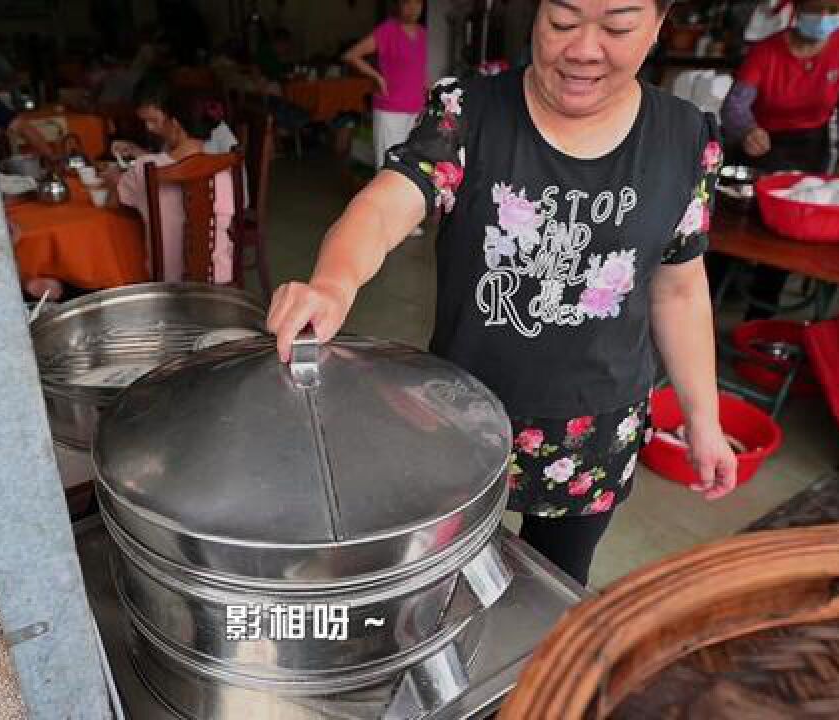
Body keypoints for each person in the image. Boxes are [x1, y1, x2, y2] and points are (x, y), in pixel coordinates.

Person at [267, 0, 738, 587]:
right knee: (441, 585)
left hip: (596, 434)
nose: (583, 49)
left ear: (659, 25)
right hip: (463, 419)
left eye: (617, 26)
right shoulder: (468, 113)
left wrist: (704, 419)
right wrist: (333, 284)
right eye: (562, 21)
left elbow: (680, 289)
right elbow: (388, 203)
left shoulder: (686, 137)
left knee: (555, 591)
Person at [718, 0, 839, 318]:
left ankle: (757, 324)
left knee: (785, 244)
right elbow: (735, 105)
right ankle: (710, 302)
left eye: (834, 12)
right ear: (798, 12)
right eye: (819, 11)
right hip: (759, 146)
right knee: (733, 236)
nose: (826, 19)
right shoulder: (766, 51)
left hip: (808, 150)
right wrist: (747, 130)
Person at [104, 82, 236, 284]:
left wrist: (114, 180)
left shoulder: (145, 168)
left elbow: (114, 204)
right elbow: (226, 222)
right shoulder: (223, 169)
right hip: (220, 279)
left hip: (169, 284)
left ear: (174, 124)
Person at [343, 0, 428, 172]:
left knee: (411, 166)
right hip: (391, 110)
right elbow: (351, 55)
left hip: (417, 110)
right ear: (399, 5)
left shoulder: (424, 34)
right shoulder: (388, 30)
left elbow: (421, 70)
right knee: (387, 165)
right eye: (407, 3)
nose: (412, 8)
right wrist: (378, 77)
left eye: (417, 3)